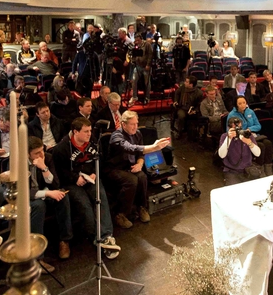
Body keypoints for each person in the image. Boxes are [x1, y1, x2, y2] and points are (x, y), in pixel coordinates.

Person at [52, 118, 121, 259]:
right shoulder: (61, 148)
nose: (89, 134)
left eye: (90, 130)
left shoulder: (93, 141)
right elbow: (59, 171)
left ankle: (106, 235)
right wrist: (74, 178)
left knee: (100, 197)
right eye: (86, 131)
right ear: (75, 132)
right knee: (84, 205)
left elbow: (100, 160)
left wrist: (95, 173)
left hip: (90, 176)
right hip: (72, 182)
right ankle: (96, 237)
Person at [107, 111, 170, 228]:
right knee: (131, 180)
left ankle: (141, 207)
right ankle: (121, 214)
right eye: (132, 124)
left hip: (130, 166)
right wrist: (154, 147)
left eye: (136, 123)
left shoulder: (138, 134)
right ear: (123, 124)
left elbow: (140, 154)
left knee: (142, 177)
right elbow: (131, 148)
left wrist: (140, 164)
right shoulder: (116, 136)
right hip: (115, 168)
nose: (135, 127)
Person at [26, 136, 72, 260]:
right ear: (27, 154)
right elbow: (22, 191)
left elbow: (55, 184)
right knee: (39, 206)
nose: (41, 155)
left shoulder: (48, 158)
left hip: (45, 192)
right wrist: (46, 194)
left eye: (42, 150)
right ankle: (38, 254)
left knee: (62, 196)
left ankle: (64, 240)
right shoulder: (19, 163)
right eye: (37, 153)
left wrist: (44, 169)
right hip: (28, 198)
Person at [226, 96, 273, 175]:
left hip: (253, 135)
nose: (242, 105)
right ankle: (259, 169)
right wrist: (241, 132)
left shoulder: (250, 111)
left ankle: (268, 168)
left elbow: (258, 126)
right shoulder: (232, 114)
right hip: (241, 137)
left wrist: (250, 129)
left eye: (244, 103)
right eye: (240, 103)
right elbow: (229, 130)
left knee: (268, 143)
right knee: (261, 146)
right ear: (236, 105)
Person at [218, 117, 261, 186]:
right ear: (229, 128)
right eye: (235, 129)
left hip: (247, 169)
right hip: (231, 170)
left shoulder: (246, 135)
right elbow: (221, 155)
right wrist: (228, 139)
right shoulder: (224, 136)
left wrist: (249, 143)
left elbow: (258, 154)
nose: (238, 131)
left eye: (240, 128)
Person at [129, 34, 153, 106]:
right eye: (136, 40)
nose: (137, 41)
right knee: (134, 80)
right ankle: (134, 96)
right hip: (138, 66)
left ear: (141, 39)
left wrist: (148, 64)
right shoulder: (135, 45)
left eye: (138, 40)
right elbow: (133, 54)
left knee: (146, 82)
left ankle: (147, 97)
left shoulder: (147, 45)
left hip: (145, 66)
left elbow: (150, 55)